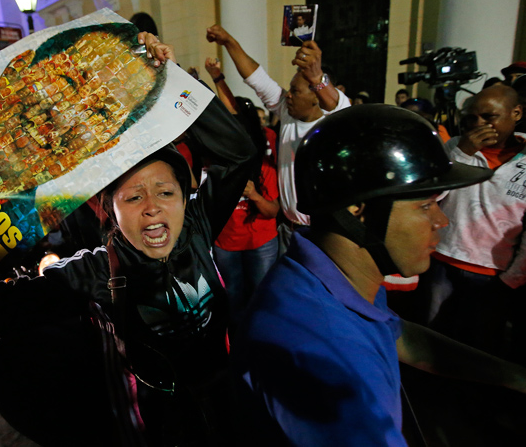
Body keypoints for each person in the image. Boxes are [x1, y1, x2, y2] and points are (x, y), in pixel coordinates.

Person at [0, 34, 257, 446]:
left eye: (166, 193)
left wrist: (172, 79)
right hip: (155, 421)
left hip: (227, 394)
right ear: (111, 210)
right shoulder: (93, 271)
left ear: (187, 199)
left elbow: (239, 153)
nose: (152, 208)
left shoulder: (198, 223)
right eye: (133, 196)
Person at [232, 104, 526, 446]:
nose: (441, 221)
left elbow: (394, 333)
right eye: (425, 205)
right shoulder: (322, 353)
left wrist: (515, 375)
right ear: (359, 212)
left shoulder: (335, 278)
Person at [206, 24, 350, 229]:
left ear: (315, 98)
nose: (288, 95)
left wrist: (317, 77)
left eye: (295, 91)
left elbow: (333, 101)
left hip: (324, 232)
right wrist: (229, 41)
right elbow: (257, 79)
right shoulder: (287, 111)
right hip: (290, 228)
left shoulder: (334, 122)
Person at [418, 84, 526, 356]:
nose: (479, 125)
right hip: (442, 261)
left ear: (516, 113)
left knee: (479, 349)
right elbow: (430, 194)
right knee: (433, 339)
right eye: (472, 118)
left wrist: (511, 280)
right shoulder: (455, 146)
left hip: (494, 275)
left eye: (489, 117)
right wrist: (461, 154)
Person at [203, 57, 280, 331]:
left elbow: (273, 210)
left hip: (260, 242)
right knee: (233, 301)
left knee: (263, 298)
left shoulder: (265, 160)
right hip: (226, 244)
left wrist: (254, 194)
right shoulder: (213, 161)